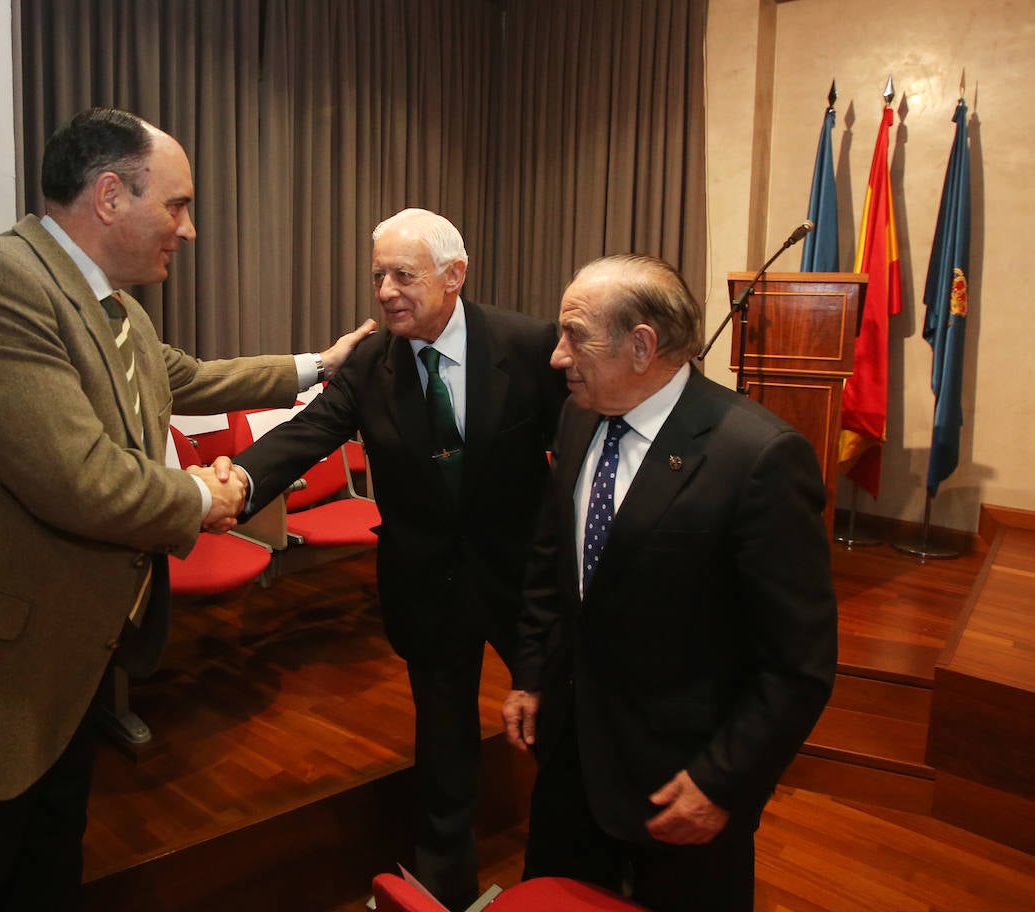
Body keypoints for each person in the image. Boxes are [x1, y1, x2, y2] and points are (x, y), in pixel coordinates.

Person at [0, 107, 373, 910]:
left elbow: (185, 376)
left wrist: (316, 366)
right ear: (111, 195)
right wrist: (209, 495)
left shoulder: (110, 307)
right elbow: (78, 480)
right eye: (178, 205)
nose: (187, 230)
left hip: (56, 681)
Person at [230, 208, 568, 911]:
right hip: (427, 583)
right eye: (377, 275)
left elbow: (580, 444)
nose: (385, 291)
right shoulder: (370, 363)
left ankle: (562, 877)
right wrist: (234, 482)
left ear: (455, 276)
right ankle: (444, 887)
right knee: (443, 745)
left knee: (559, 723)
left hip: (523, 580)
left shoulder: (528, 344)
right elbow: (311, 432)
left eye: (403, 275)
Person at [502, 254, 837, 911]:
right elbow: (551, 560)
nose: (556, 358)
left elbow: (797, 664)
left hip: (681, 776)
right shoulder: (577, 415)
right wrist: (532, 673)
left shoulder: (758, 457)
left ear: (642, 345)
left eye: (575, 335)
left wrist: (722, 782)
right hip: (571, 758)